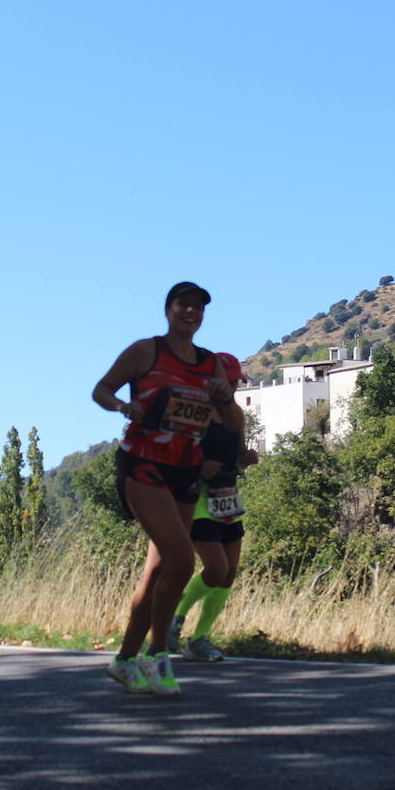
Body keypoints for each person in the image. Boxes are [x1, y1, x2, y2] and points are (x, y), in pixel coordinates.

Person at [91, 281, 232, 695]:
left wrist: (224, 399)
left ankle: (123, 661)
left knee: (157, 572)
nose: (191, 311)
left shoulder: (211, 364)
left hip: (185, 470)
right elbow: (101, 389)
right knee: (181, 559)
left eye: (198, 307)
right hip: (144, 464)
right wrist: (122, 406)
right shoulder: (145, 351)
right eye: (183, 304)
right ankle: (156, 655)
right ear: (168, 310)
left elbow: (227, 421)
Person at [167, 352, 258, 662]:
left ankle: (200, 638)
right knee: (215, 568)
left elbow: (237, 454)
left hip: (228, 495)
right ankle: (173, 619)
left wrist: (246, 459)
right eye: (229, 383)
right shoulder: (195, 411)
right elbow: (173, 453)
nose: (233, 389)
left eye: (236, 383)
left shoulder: (235, 414)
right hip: (198, 497)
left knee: (229, 573)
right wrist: (198, 466)